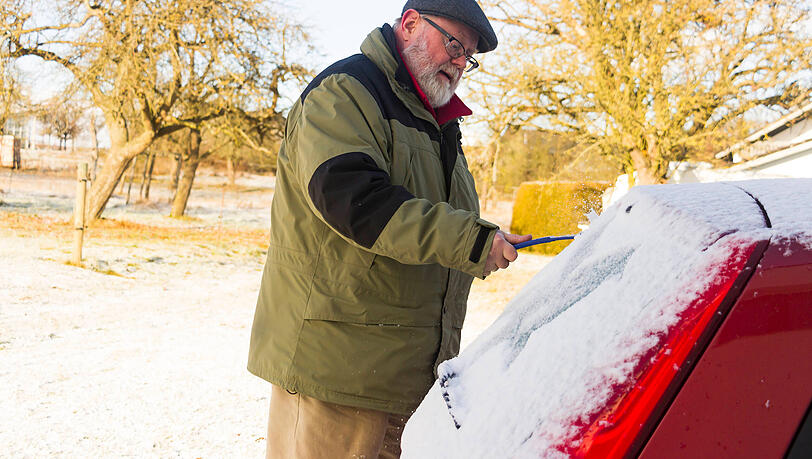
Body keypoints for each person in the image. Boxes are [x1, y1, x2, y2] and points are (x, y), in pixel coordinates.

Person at [247, 0, 530, 457]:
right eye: (454, 45)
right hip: (338, 376)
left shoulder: (439, 122)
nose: (460, 63)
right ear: (411, 23)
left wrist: (484, 238)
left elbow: (437, 217)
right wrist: (468, 240)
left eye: (468, 57)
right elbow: (355, 201)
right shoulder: (347, 91)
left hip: (407, 383)